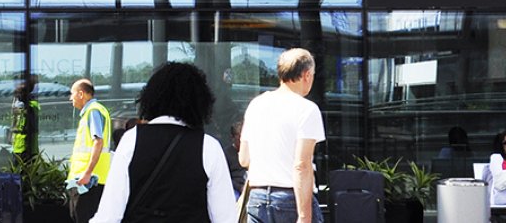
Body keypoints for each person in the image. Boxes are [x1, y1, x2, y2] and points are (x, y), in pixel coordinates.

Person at [91, 62, 236, 223]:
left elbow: (109, 214)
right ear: (200, 101)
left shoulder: (131, 140)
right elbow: (225, 217)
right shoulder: (208, 146)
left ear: (152, 97)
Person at [240, 48, 324, 223]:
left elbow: (244, 159)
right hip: (290, 199)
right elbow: (302, 165)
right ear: (307, 74)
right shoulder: (307, 109)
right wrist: (304, 217)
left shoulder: (256, 104)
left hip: (257, 199)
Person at [68, 78, 111, 222]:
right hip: (90, 179)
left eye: (72, 94)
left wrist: (87, 173)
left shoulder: (93, 112)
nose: (70, 98)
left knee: (83, 217)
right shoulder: (95, 111)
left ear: (81, 94)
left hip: (88, 181)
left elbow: (98, 142)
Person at [11, 77, 39, 159]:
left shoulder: (30, 107)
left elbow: (30, 127)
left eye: (19, 94)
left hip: (26, 148)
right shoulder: (22, 107)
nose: (17, 98)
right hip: (18, 147)